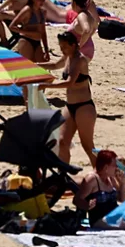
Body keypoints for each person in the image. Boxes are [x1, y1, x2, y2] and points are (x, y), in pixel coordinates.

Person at [38, 31, 96, 167]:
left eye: (64, 46)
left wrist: (46, 86)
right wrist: (35, 64)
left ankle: (100, 173)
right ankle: (63, 173)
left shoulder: (80, 60)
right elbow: (54, 65)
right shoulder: (68, 57)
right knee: (62, 141)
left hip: (84, 107)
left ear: (73, 45)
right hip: (70, 106)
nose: (62, 49)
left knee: (87, 145)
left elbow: (70, 82)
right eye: (60, 46)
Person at [73, 148, 125, 227]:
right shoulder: (92, 179)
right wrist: (87, 205)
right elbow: (76, 200)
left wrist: (122, 183)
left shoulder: (111, 177)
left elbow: (122, 199)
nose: (117, 168)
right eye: (114, 165)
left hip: (114, 216)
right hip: (99, 219)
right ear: (106, 167)